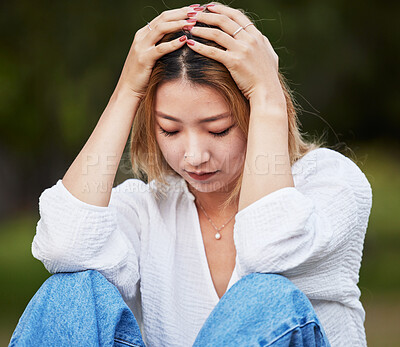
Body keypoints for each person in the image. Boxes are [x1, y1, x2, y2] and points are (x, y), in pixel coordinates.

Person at [9, 3, 372, 347]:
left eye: (218, 129)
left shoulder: (330, 182)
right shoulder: (147, 207)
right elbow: (63, 246)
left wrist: (267, 94)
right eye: (170, 130)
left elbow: (267, 251)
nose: (194, 156)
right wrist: (126, 92)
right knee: (72, 290)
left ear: (254, 116)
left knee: (265, 295)